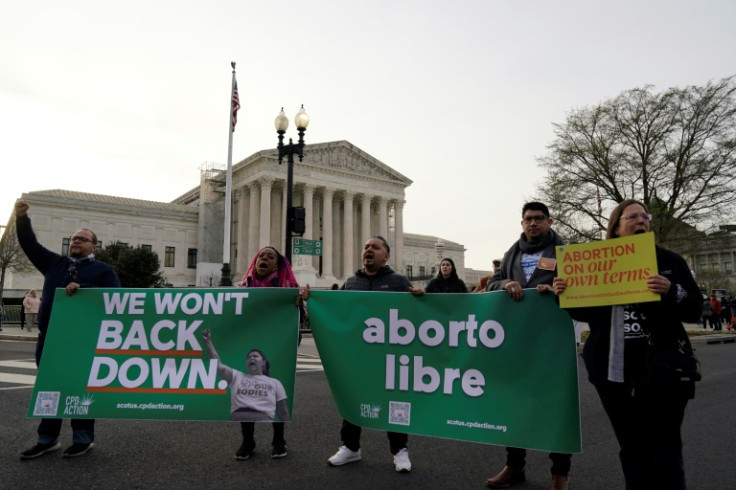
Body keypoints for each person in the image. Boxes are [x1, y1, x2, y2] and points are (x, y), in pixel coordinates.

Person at [553, 199, 701, 490]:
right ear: (616, 228)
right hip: (611, 370)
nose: (641, 220)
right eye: (632, 216)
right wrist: (565, 294)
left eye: (644, 216)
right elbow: (583, 314)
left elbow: (695, 308)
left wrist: (672, 290)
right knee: (632, 449)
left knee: (665, 449)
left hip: (663, 368)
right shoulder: (595, 265)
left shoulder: (671, 262)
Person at [15, 199, 120, 459]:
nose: (76, 241)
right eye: (73, 238)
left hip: (83, 341)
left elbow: (117, 298)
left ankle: (83, 438)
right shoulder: (54, 264)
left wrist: (86, 290)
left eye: (82, 239)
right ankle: (47, 438)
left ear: (93, 246)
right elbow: (30, 244)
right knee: (49, 388)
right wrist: (21, 218)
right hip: (50, 339)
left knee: (80, 388)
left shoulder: (103, 270)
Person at [318, 235, 424, 473]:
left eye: (375, 247)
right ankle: (350, 447)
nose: (369, 250)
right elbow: (338, 310)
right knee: (353, 398)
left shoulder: (398, 281)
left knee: (394, 401)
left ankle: (400, 450)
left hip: (390, 354)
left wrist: (420, 300)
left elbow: (414, 315)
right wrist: (311, 300)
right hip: (359, 354)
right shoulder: (352, 281)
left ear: (386, 256)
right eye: (366, 247)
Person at [484, 202, 571, 490]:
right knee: (515, 405)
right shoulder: (513, 252)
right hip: (518, 342)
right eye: (528, 219)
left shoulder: (564, 251)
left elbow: (581, 286)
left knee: (556, 407)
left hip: (553, 341)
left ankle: (559, 473)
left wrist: (558, 290)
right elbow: (491, 284)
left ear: (549, 221)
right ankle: (514, 465)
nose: (532, 223)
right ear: (522, 224)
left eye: (538, 219)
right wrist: (507, 282)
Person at [209, 246, 304, 461]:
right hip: (250, 347)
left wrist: (299, 306)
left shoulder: (287, 290)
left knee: (277, 392)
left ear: (277, 265)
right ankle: (248, 440)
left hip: (277, 349)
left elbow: (296, 321)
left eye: (270, 257)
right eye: (261, 256)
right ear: (255, 261)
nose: (265, 259)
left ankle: (278, 439)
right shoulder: (243, 287)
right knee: (246, 392)